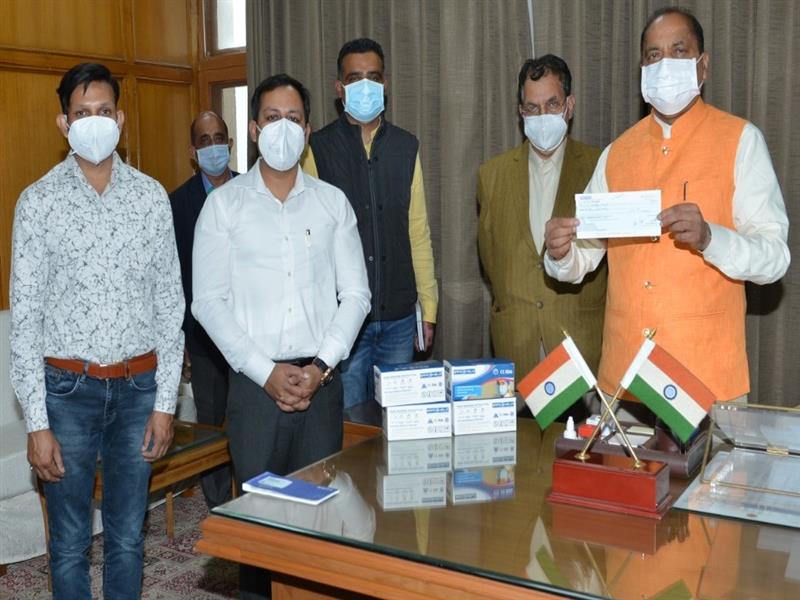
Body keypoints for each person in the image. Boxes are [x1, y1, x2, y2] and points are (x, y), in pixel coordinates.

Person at [544, 7, 790, 403]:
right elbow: (584, 258)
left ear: (703, 66)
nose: (665, 64)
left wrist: (712, 238)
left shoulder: (741, 140)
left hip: (706, 381)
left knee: (712, 469)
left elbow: (775, 258)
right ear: (642, 68)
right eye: (654, 56)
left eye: (679, 51)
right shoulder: (615, 154)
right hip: (624, 384)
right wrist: (559, 253)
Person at [192, 73, 370, 599]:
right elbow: (208, 302)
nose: (283, 129)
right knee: (259, 532)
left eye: (294, 119)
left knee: (321, 526)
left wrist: (320, 367)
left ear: (309, 129)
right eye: (273, 118)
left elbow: (356, 296)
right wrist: (266, 372)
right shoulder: (223, 207)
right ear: (253, 129)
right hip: (254, 388)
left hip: (321, 384)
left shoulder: (333, 203)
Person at [9, 62, 184, 598]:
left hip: (138, 390)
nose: (94, 122)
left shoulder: (151, 197)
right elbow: (25, 318)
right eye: (81, 113)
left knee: (129, 537)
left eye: (103, 112)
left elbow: (170, 305)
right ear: (63, 124)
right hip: (68, 393)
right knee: (68, 543)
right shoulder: (38, 202)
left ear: (121, 118)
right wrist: (37, 424)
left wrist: (166, 402)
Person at [302, 38, 438, 422]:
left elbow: (418, 232)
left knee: (397, 428)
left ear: (386, 83)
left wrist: (429, 306)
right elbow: (309, 241)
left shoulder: (406, 146)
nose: (364, 86)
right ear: (339, 88)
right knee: (347, 431)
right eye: (354, 78)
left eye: (373, 77)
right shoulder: (315, 148)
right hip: (343, 324)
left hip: (397, 316)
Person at [478, 55, 606, 401]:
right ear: (521, 113)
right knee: (518, 453)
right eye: (532, 108)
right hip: (516, 347)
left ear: (569, 106)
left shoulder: (601, 166)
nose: (542, 116)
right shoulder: (492, 175)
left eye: (552, 104)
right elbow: (491, 259)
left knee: (576, 454)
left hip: (580, 346)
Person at [169, 111, 237, 507]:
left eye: (219, 138)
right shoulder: (178, 203)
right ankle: (219, 506)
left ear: (229, 144)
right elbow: (174, 276)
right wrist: (180, 340)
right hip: (204, 336)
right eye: (204, 140)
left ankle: (252, 500)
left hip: (251, 332)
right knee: (211, 424)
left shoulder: (252, 189)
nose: (213, 147)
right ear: (193, 151)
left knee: (248, 422)